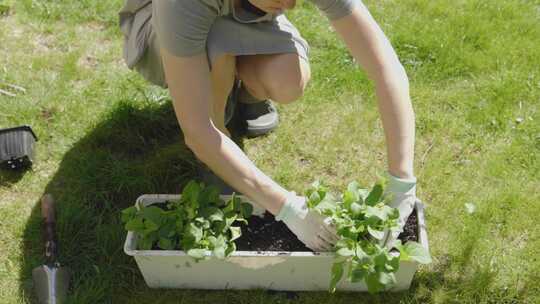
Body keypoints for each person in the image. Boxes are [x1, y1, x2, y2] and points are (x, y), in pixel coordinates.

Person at [119, 0, 419, 252]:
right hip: (163, 27)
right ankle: (220, 144)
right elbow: (197, 131)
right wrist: (288, 207)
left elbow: (386, 67)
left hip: (242, 16)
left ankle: (245, 95)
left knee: (288, 80)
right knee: (217, 55)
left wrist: (402, 181)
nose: (288, 4)